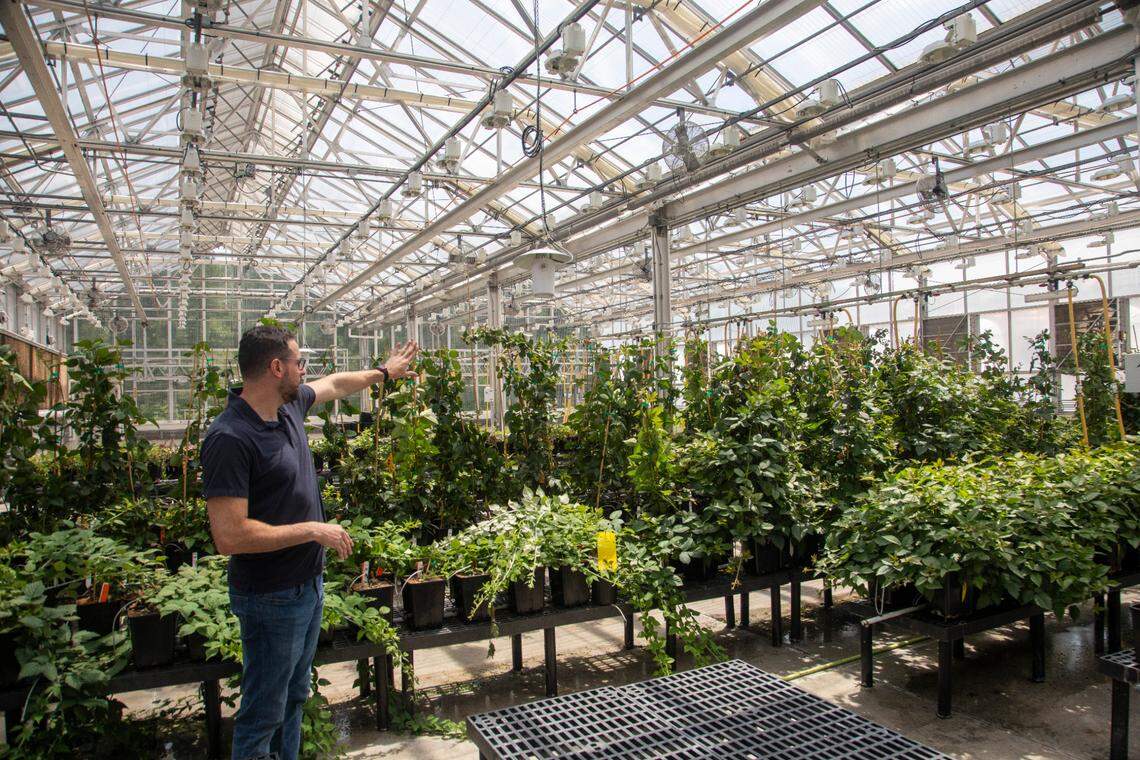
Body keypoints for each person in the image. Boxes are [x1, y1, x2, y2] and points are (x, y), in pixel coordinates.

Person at [200, 324, 418, 760]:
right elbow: (229, 535)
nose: (305, 370)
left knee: (294, 696)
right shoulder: (230, 438)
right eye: (299, 362)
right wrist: (313, 530)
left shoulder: (288, 407)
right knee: (264, 712)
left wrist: (384, 372)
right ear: (276, 367)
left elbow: (336, 384)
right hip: (270, 597)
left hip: (306, 587)